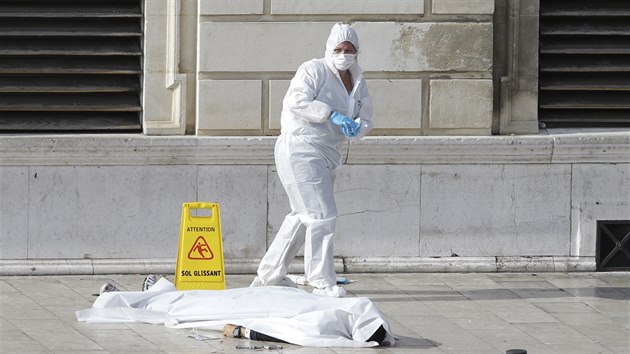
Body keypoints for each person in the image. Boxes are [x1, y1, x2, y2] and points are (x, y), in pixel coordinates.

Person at [250, 23, 373, 298]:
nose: (344, 54)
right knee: (321, 216)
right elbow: (296, 100)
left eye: (349, 50)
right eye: (339, 49)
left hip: (329, 151)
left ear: (356, 52)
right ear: (329, 49)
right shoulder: (314, 69)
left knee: (302, 215)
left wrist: (358, 127)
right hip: (301, 147)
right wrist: (329, 114)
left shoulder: (357, 80)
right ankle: (320, 281)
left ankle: (270, 276)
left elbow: (366, 114)